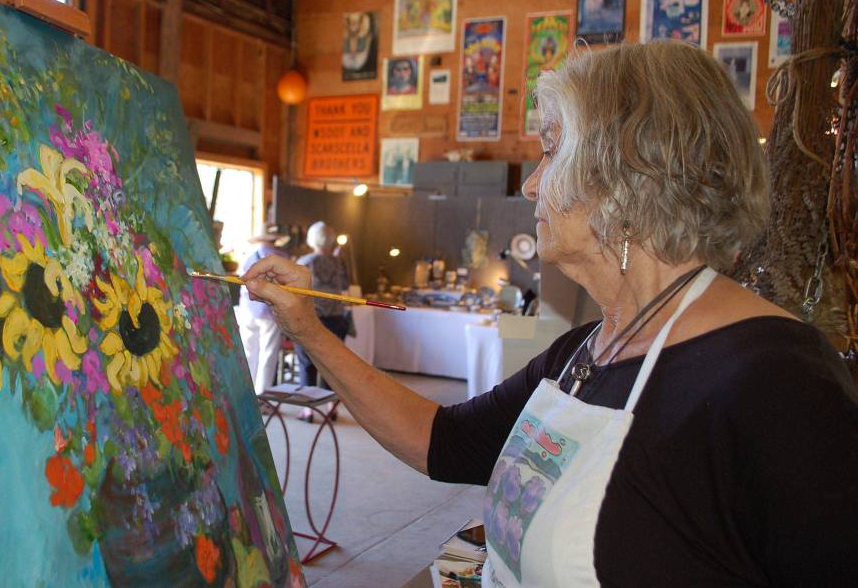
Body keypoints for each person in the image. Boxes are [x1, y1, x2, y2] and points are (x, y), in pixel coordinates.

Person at [243, 41, 858, 587]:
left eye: (551, 152)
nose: (533, 185)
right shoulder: (587, 350)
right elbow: (444, 443)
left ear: (628, 176)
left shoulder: (778, 385)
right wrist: (310, 331)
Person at [294, 221, 350, 422]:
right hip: (336, 319)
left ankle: (308, 410)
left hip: (312, 318)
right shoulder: (338, 262)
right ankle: (331, 407)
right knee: (332, 365)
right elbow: (345, 285)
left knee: (307, 364)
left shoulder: (305, 261)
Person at [235, 226, 288, 394]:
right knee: (268, 354)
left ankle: (247, 393)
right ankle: (262, 395)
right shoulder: (282, 257)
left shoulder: (248, 255)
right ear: (273, 239)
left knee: (249, 352)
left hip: (248, 308)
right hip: (270, 311)